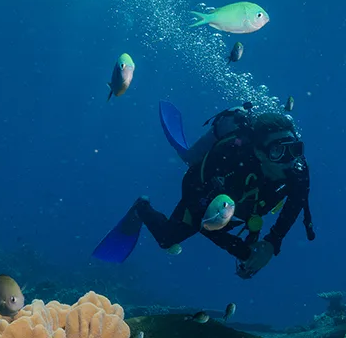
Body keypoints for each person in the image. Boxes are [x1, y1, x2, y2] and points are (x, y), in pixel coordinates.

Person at [94, 102, 313, 278]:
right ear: (259, 152)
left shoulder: (298, 168)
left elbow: (296, 202)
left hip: (246, 204)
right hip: (201, 190)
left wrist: (272, 242)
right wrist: (245, 253)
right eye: (277, 151)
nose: (290, 160)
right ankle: (141, 207)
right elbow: (206, 223)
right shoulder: (229, 161)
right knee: (167, 239)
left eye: (294, 149)